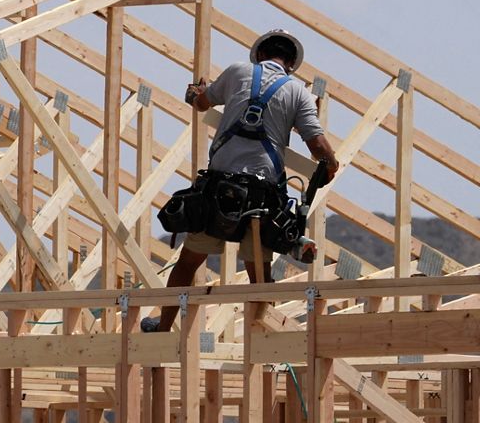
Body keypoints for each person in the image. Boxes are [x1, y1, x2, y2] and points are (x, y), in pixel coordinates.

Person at [142, 30, 339, 332]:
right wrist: (331, 165)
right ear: (290, 63)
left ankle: (164, 325)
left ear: (260, 54)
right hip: (261, 199)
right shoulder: (298, 92)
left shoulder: (238, 71)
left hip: (218, 192)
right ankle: (264, 339)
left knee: (188, 263)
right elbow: (318, 148)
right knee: (258, 274)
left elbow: (202, 102)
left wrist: (196, 92)